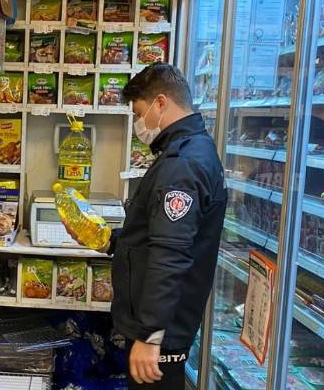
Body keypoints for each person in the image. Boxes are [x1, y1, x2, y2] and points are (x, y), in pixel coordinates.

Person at [66, 63, 227, 389]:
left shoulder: (183, 164)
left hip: (163, 334)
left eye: (139, 112)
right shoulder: (190, 151)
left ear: (162, 103)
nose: (139, 123)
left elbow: (170, 254)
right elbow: (158, 236)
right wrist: (109, 241)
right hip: (165, 327)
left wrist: (151, 336)